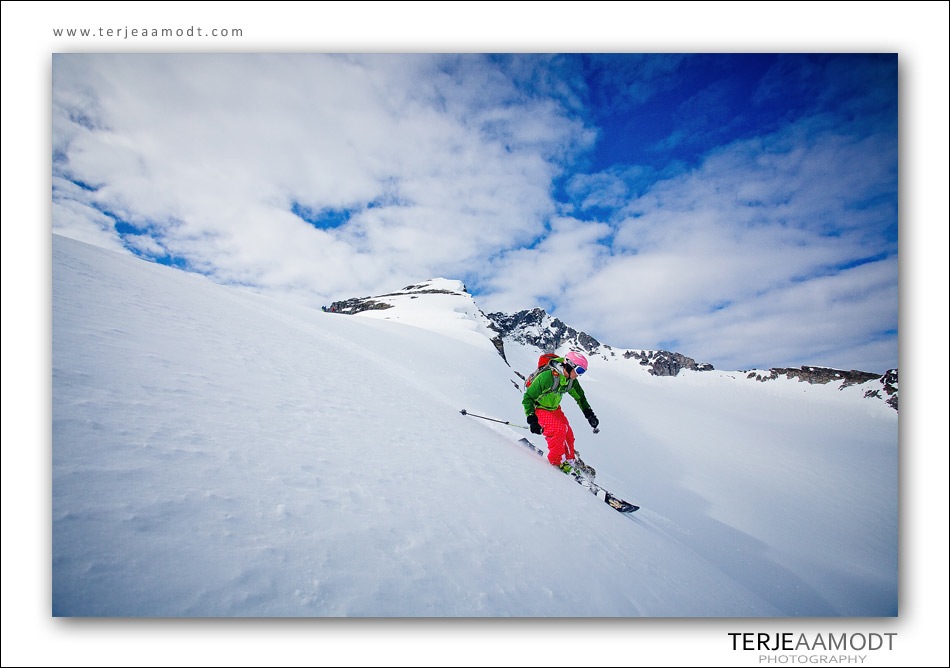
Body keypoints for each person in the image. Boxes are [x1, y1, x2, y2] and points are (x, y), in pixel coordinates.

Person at [522, 351, 599, 473]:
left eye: (582, 372)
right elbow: (528, 398)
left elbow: (580, 397)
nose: (579, 375)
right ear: (569, 365)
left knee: (568, 434)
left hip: (554, 408)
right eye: (579, 371)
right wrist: (532, 420)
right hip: (538, 407)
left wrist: (589, 415)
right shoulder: (547, 377)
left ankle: (569, 461)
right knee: (558, 430)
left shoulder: (570, 381)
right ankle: (555, 463)